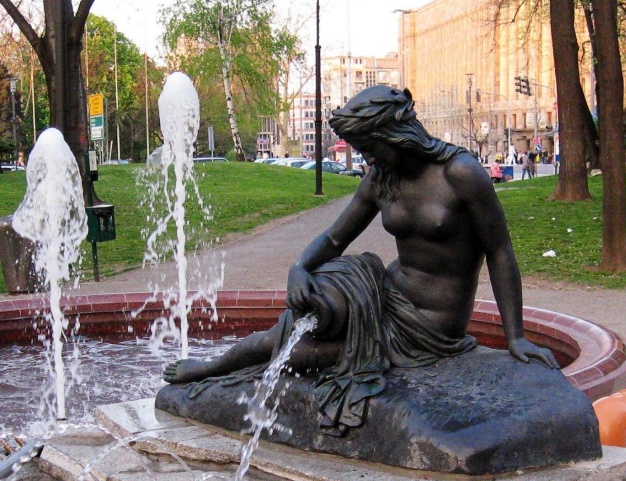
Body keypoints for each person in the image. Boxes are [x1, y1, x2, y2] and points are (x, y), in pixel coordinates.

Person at [164, 86, 557, 431]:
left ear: (396, 134)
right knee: (309, 308)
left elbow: (500, 253)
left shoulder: (462, 173)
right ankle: (215, 366)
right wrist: (299, 269)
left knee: (300, 355)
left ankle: (219, 372)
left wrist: (515, 336)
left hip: (429, 324)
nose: (368, 158)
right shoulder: (381, 178)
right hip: (382, 292)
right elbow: (335, 238)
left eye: (371, 147)